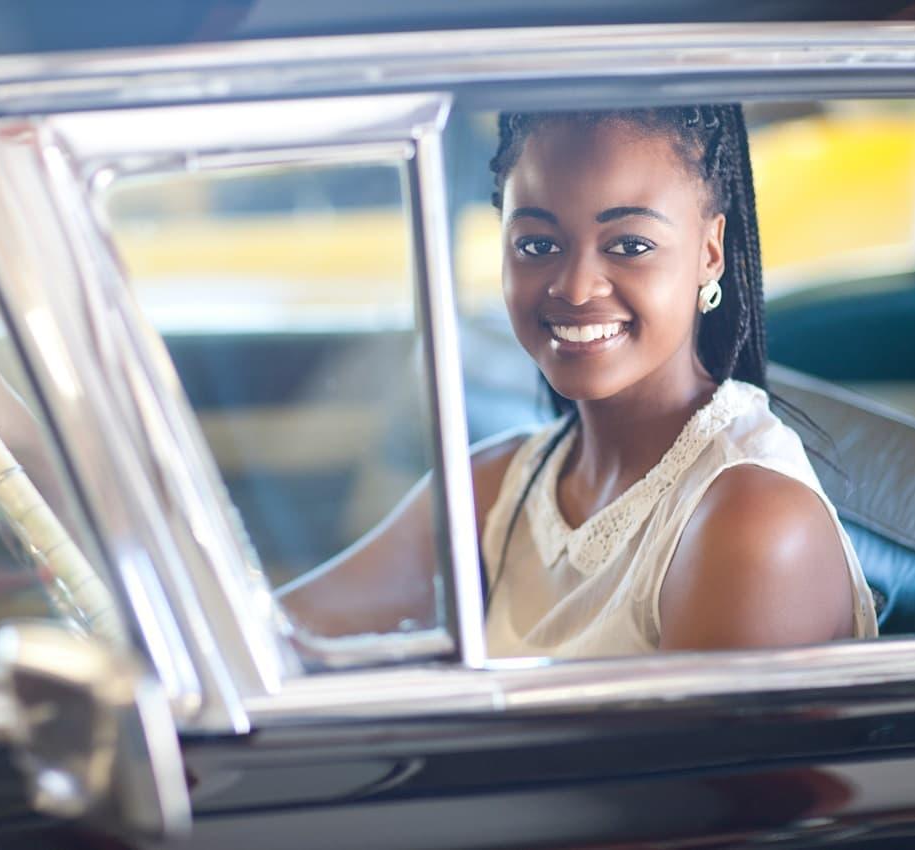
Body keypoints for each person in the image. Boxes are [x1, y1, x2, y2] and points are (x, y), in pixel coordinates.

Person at [278, 104, 878, 656]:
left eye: (630, 244)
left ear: (710, 252)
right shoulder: (504, 486)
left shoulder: (750, 524)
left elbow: (696, 777)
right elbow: (279, 637)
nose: (574, 286)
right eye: (537, 243)